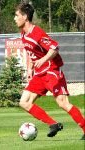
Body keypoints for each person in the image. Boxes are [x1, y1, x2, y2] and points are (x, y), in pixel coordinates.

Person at [14, 3, 85, 140]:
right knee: (24, 102)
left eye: (17, 15)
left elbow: (54, 48)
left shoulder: (38, 33)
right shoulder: (24, 33)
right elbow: (30, 52)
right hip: (39, 74)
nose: (15, 18)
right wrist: (29, 69)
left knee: (62, 103)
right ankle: (53, 124)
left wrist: (44, 60)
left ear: (25, 16)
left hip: (51, 71)